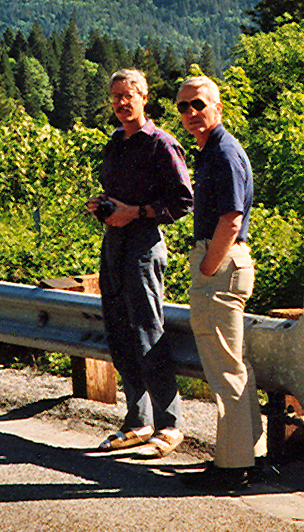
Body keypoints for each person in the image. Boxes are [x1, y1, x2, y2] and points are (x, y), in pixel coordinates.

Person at [87, 68, 193, 459]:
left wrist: (136, 212)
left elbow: (183, 202)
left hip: (144, 245)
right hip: (114, 243)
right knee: (119, 333)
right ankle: (137, 420)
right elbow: (119, 196)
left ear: (144, 97)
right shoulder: (115, 143)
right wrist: (105, 206)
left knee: (148, 332)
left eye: (127, 96)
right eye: (115, 97)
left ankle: (169, 425)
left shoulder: (161, 145)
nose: (120, 103)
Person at [176, 75, 266, 492]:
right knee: (234, 365)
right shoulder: (211, 151)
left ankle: (232, 467)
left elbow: (231, 220)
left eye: (199, 105)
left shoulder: (224, 153)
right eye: (183, 107)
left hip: (222, 263)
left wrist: (208, 268)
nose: (191, 114)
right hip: (224, 263)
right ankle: (251, 455)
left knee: (225, 371)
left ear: (218, 108)